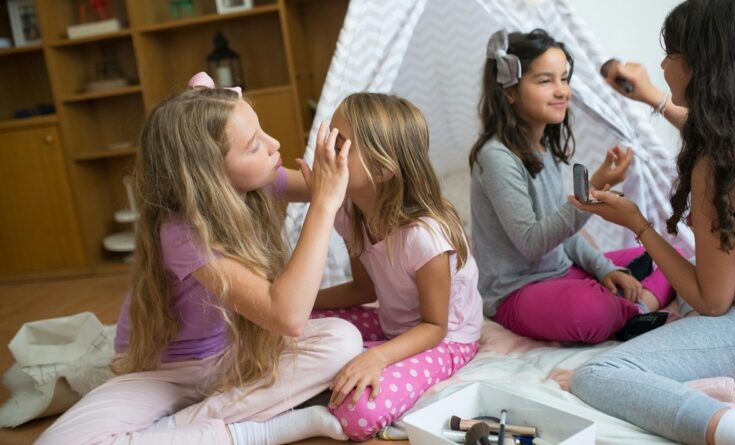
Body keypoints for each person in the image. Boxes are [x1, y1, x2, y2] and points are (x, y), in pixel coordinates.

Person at [36, 73, 363, 445]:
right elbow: (286, 316)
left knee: (343, 341)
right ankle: (251, 432)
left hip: (234, 355)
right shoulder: (181, 232)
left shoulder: (260, 179)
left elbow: (334, 183)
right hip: (168, 370)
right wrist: (324, 205)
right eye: (255, 146)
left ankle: (174, 432)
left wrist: (361, 164)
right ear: (210, 174)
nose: (274, 145)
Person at [569, 1, 735, 444]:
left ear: (703, 68)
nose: (661, 64)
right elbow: (717, 126)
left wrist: (638, 224)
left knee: (598, 373)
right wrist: (653, 97)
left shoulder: (718, 166)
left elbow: (713, 303)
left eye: (672, 55)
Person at [469, 29, 675, 344]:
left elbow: (563, 236)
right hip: (517, 292)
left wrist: (604, 269)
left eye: (564, 79)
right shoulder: (496, 158)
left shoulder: (544, 149)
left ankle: (631, 307)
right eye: (545, 81)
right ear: (509, 91)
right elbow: (533, 243)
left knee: (668, 257)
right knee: (586, 309)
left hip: (563, 271)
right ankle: (634, 309)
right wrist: (594, 189)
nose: (562, 90)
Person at [309, 92, 484, 440]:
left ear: (382, 169)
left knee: (358, 411)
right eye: (331, 136)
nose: (328, 148)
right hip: (393, 322)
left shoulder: (424, 236)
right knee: (294, 327)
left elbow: (434, 326)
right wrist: (302, 303)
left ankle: (319, 401)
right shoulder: (349, 210)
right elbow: (365, 289)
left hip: (444, 338)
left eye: (341, 144)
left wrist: (378, 359)